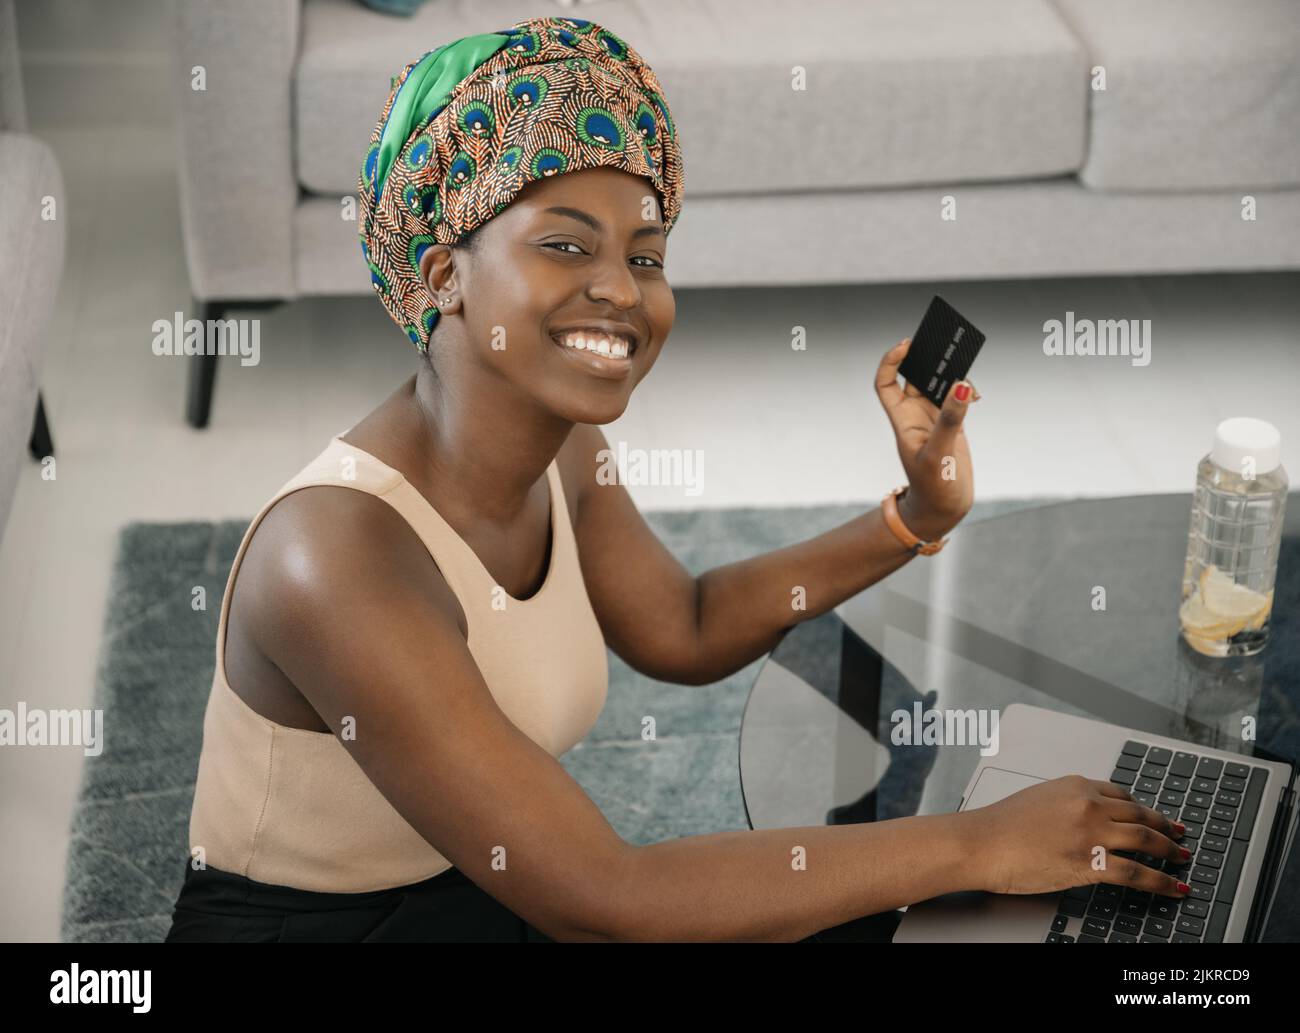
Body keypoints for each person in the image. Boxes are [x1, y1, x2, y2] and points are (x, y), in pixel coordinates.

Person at [165, 15, 1191, 943]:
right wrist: (974, 842)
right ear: (444, 276)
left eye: (646, 256)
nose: (620, 290)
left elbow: (686, 626)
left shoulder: (561, 444)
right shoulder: (333, 554)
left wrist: (916, 515)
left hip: (478, 889)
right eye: (564, 243)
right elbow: (608, 895)